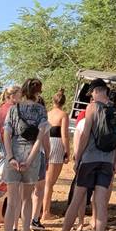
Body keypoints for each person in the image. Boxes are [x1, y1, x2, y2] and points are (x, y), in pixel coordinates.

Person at [52, 78, 116, 231]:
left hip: (90, 160)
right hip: (107, 162)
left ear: (96, 91)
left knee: (77, 200)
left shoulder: (92, 108)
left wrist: (78, 157)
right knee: (101, 204)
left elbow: (84, 135)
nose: (91, 95)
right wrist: (115, 160)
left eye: (91, 92)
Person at [2, 78, 49, 231]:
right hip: (31, 156)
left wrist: (10, 157)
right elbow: (39, 138)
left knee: (12, 203)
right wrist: (29, 160)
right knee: (27, 199)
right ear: (38, 92)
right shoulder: (41, 110)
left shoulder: (13, 109)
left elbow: (7, 134)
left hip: (14, 154)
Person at [0, 85, 21, 228]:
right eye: (19, 95)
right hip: (4, 150)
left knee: (0, 181)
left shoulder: (2, 108)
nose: (21, 97)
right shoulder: (10, 110)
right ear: (12, 96)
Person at [42, 88, 70, 221]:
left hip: (45, 143)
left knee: (44, 180)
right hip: (57, 145)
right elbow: (64, 135)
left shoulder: (47, 114)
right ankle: (45, 212)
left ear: (53, 101)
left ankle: (41, 209)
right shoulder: (63, 115)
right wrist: (67, 151)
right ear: (63, 102)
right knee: (50, 182)